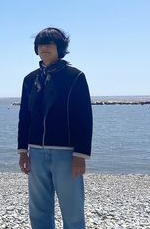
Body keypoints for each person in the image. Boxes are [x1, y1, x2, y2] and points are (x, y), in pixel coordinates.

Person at [17, 27, 93, 229]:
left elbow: (84, 117)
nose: (44, 48)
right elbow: (24, 116)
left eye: (50, 43)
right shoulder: (30, 79)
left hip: (66, 154)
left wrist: (80, 155)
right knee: (39, 210)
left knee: (73, 210)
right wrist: (23, 152)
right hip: (36, 153)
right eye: (41, 44)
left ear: (60, 47)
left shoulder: (75, 76)